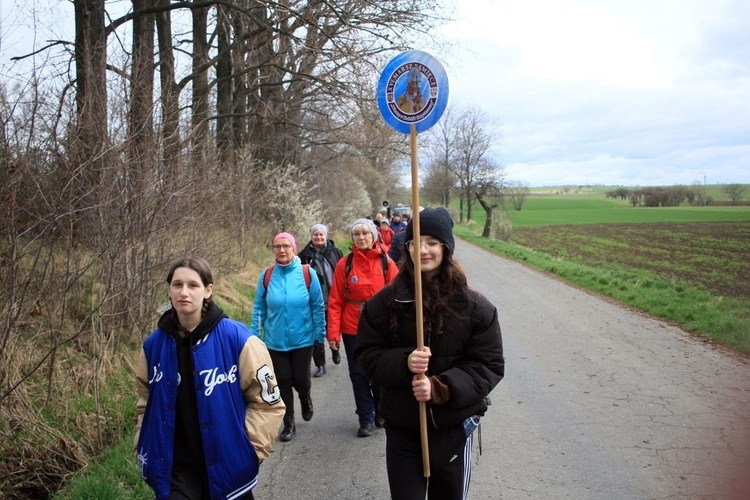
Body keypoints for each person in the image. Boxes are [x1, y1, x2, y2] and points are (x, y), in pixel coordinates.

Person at [355, 207, 505, 500]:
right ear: (406, 247)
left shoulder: (476, 307)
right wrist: (405, 362)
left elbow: (488, 364)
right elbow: (367, 356)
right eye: (415, 242)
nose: (423, 250)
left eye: (432, 242)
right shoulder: (383, 303)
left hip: (453, 427)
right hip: (402, 427)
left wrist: (440, 387)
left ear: (446, 247)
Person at [135, 256, 286, 500]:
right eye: (177, 285)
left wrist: (249, 451)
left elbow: (268, 402)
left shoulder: (240, 340)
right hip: (176, 471)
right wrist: (143, 446)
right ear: (169, 291)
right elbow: (144, 404)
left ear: (208, 290)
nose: (184, 292)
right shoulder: (153, 347)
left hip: (228, 468)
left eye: (193, 285)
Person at [251, 232, 326, 442]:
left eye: (286, 246)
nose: (282, 250)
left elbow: (318, 306)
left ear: (294, 248)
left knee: (301, 379)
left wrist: (320, 335)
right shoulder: (266, 276)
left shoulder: (306, 274)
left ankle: (305, 397)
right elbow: (259, 308)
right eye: (277, 246)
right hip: (275, 341)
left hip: (303, 338)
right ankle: (289, 422)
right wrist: (254, 338)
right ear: (273, 249)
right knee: (282, 381)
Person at [327, 218, 398, 437]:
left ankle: (380, 411)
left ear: (374, 236)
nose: (361, 237)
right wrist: (333, 333)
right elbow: (336, 300)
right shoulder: (345, 263)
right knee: (358, 373)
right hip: (352, 327)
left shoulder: (386, 262)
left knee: (378, 371)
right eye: (356, 234)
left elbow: (397, 298)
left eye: (365, 233)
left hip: (380, 327)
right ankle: (365, 417)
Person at [298, 223, 344, 377]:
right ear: (311, 237)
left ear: (326, 236)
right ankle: (320, 364)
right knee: (316, 334)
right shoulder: (303, 255)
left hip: (333, 300)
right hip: (312, 302)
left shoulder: (336, 252)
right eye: (315, 235)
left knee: (333, 329)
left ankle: (335, 350)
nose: (318, 237)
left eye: (321, 234)